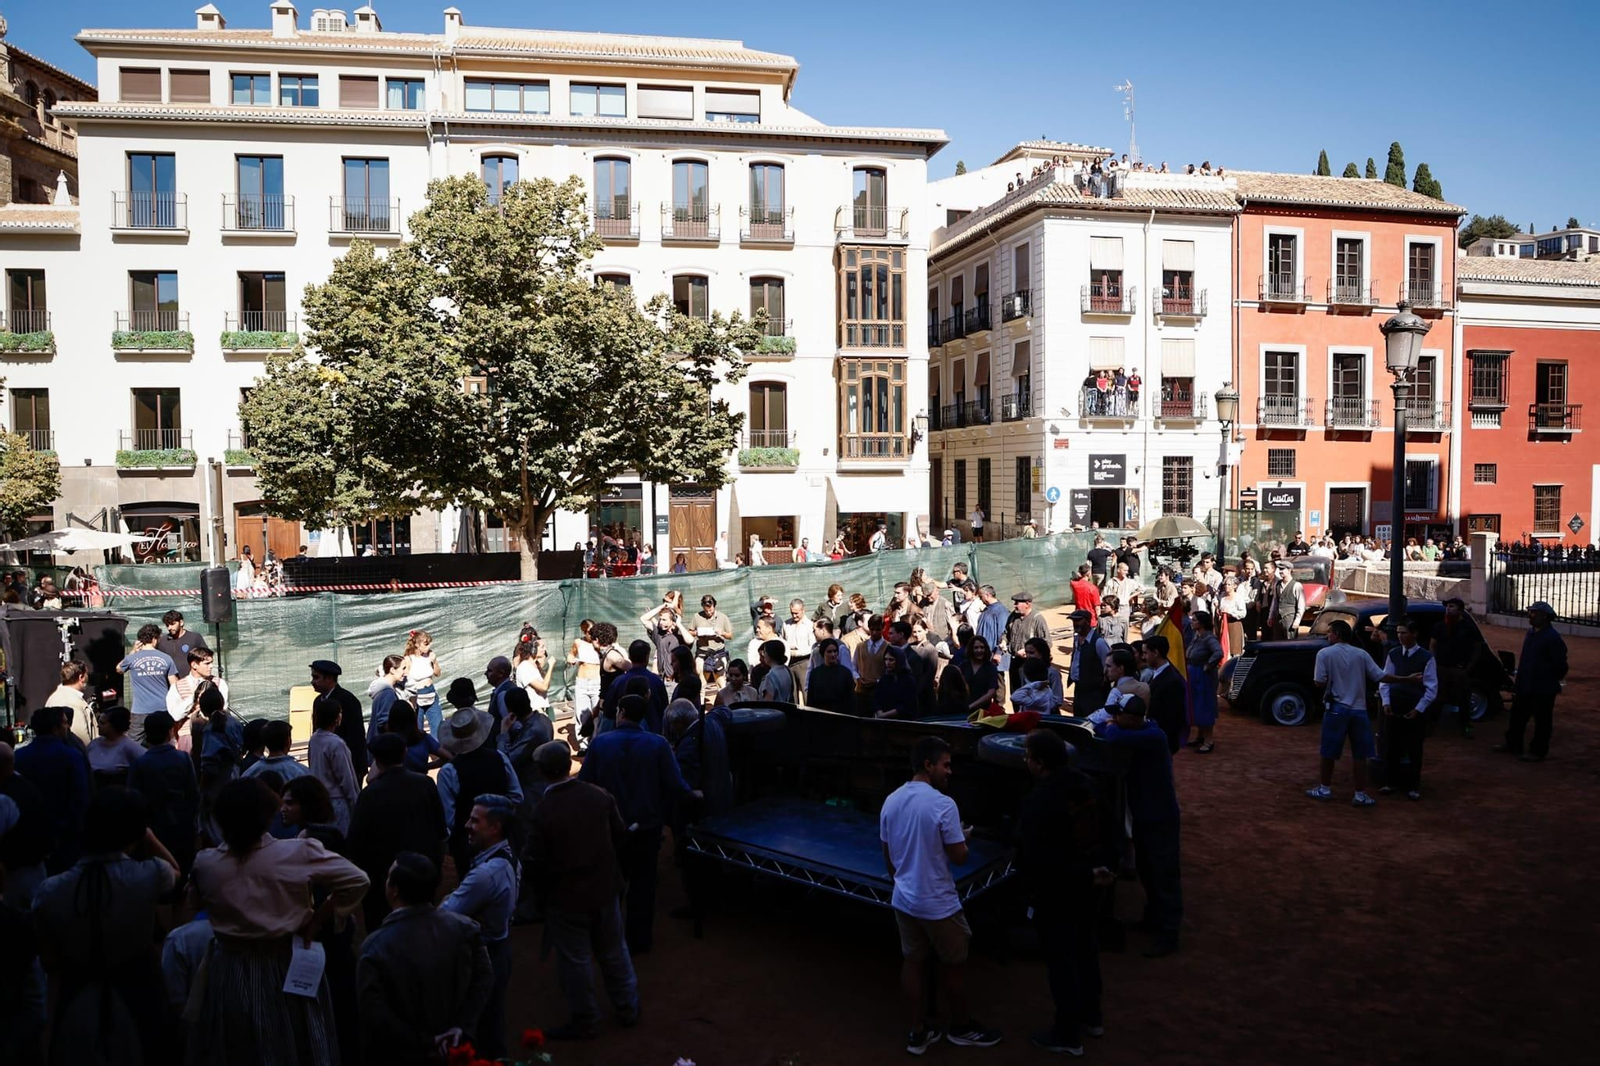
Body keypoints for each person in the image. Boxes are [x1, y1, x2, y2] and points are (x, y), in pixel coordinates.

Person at [186, 777, 368, 1066]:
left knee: (236, 1045)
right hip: (287, 962)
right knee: (298, 1039)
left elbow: (195, 903)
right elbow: (357, 880)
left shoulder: (205, 863)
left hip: (230, 968)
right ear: (267, 815)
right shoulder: (297, 852)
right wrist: (318, 920)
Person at [31, 787, 180, 1064]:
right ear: (136, 833)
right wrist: (149, 837)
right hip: (141, 993)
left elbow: (50, 963)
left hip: (76, 996)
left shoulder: (50, 891)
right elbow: (175, 872)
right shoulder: (150, 875)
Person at [880, 736, 1002, 1054]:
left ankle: (917, 1032)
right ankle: (961, 1027)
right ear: (928, 765)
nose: (950, 771)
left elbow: (888, 854)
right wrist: (963, 837)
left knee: (912, 962)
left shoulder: (891, 800)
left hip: (904, 899)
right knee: (954, 964)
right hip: (938, 903)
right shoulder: (943, 804)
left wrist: (903, 882)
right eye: (945, 765)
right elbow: (959, 857)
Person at [528, 741, 640, 1040]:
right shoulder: (598, 795)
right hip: (605, 889)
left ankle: (586, 1019)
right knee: (614, 951)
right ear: (569, 765)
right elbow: (620, 833)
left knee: (576, 960)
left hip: (566, 898)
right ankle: (628, 1008)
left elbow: (535, 860)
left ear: (541, 772)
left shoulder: (542, 811)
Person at [1017, 729, 1114, 1053]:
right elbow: (1109, 828)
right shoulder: (1087, 783)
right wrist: (1101, 869)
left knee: (1062, 961)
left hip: (1058, 890)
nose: (1026, 760)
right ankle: (1092, 1017)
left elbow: (1036, 857)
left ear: (1040, 763)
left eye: (1028, 756)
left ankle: (1067, 1034)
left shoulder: (1039, 800)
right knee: (1086, 949)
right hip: (1092, 883)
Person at [578, 693, 696, 954]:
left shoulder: (600, 743)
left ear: (620, 712)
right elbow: (676, 784)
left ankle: (607, 938)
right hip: (647, 826)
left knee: (609, 883)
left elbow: (584, 783)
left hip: (611, 827)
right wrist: (694, 795)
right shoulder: (658, 744)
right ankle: (639, 941)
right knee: (643, 884)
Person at [357, 852, 495, 1066]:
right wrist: (462, 1027)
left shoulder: (375, 946)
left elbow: (374, 1012)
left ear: (394, 890)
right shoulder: (465, 930)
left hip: (403, 1055)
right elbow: (484, 979)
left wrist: (424, 1043)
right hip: (454, 1050)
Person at [1090, 695, 1183, 957]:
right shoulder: (1140, 731)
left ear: (1131, 718)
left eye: (1118, 715)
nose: (1114, 718)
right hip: (1145, 814)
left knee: (1164, 874)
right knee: (1148, 870)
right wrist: (1111, 725)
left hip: (1160, 817)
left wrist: (1111, 726)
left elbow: (1111, 735)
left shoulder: (1153, 736)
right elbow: (1104, 729)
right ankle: (1153, 918)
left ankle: (1169, 932)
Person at [439, 794, 520, 1059]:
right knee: (491, 1022)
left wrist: (449, 897)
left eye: (475, 821)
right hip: (499, 948)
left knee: (480, 1030)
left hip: (483, 955)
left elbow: (445, 914)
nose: (467, 825)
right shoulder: (506, 857)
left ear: (494, 828)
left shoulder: (485, 875)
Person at [347, 733, 447, 932]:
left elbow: (355, 843)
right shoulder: (425, 784)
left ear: (376, 760)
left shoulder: (369, 794)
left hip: (383, 878)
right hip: (421, 869)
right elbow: (441, 831)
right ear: (405, 753)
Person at [435, 709, 522, 878]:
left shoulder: (448, 771)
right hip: (500, 836)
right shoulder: (500, 757)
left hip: (468, 844)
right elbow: (517, 796)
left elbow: (449, 820)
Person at [1307, 619, 1384, 806]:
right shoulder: (1361, 654)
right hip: (1359, 709)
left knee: (1328, 752)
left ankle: (1325, 788)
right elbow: (1379, 676)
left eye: (1330, 632)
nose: (1328, 635)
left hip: (1336, 708)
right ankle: (1359, 794)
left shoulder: (1324, 654)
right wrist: (1406, 679)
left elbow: (1319, 682)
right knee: (1360, 754)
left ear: (1337, 634)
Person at [125, 710, 201, 880]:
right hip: (182, 824)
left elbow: (133, 799)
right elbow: (193, 794)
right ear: (170, 732)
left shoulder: (139, 763)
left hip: (153, 827)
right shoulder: (183, 758)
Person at [14, 706, 89, 873]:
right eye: (65, 723)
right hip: (65, 835)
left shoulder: (19, 757)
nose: (67, 727)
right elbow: (80, 797)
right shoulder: (71, 756)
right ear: (56, 729)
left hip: (29, 834)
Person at [1496, 601, 1568, 762]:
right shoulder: (1531, 634)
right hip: (1526, 684)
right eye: (1530, 612)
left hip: (1542, 688)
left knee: (1542, 721)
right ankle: (1513, 744)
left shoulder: (1552, 638)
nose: (1530, 615)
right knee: (1517, 717)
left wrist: (1547, 680)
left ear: (1545, 616)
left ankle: (1538, 751)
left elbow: (1560, 666)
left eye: (1534, 613)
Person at [1378, 617, 1437, 801]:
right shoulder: (1394, 654)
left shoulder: (1426, 658)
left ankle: (1413, 785)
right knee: (1392, 746)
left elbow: (1431, 687)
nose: (1400, 636)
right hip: (1395, 705)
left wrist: (1418, 709)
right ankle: (1391, 782)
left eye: (1403, 633)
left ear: (1414, 634)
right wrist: (1386, 702)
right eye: (1398, 633)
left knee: (1414, 748)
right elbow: (1385, 680)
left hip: (1414, 706)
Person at [1429, 598, 1483, 739]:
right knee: (1437, 698)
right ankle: (1431, 726)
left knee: (1463, 700)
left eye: (1452, 606)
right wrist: (1434, 663)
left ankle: (1465, 727)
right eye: (1447, 606)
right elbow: (1433, 644)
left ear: (1460, 610)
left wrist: (1468, 668)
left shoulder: (1468, 628)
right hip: (1442, 669)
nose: (1448, 609)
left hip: (1460, 670)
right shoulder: (1440, 626)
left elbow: (1478, 648)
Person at [310, 659, 368, 784]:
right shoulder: (318, 701)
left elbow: (356, 737)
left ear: (329, 678)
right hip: (324, 765)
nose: (312, 682)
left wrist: (358, 768)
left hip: (346, 765)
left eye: (316, 677)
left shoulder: (348, 700)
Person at [117, 623, 177, 743]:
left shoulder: (132, 658)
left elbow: (119, 669)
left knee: (135, 743)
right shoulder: (166, 658)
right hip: (162, 708)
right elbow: (174, 685)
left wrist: (133, 651)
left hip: (140, 710)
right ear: (154, 639)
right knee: (163, 742)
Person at [307, 696, 358, 834]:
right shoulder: (336, 743)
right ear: (336, 718)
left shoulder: (314, 739)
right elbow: (346, 778)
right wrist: (354, 802)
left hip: (319, 799)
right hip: (336, 802)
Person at [1143, 635, 1187, 753]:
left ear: (1155, 653)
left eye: (1146, 653)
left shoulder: (1172, 681)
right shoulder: (1158, 674)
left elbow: (1173, 717)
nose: (1144, 657)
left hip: (1163, 741)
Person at [1186, 612, 1223, 753]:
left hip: (1203, 676)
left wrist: (1208, 665)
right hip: (1195, 674)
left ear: (1201, 623)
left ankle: (1209, 741)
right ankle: (1200, 736)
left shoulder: (1209, 638)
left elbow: (1219, 652)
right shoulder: (1197, 635)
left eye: (1194, 620)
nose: (1192, 622)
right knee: (1198, 705)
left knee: (1205, 705)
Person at [86, 705, 146, 789]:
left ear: (114, 725)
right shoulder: (94, 744)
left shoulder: (129, 746)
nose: (98, 726)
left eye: (102, 723)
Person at [1004, 592, 1051, 693]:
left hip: (1030, 664)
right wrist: (1003, 641)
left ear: (1027, 604)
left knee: (1028, 692)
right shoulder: (1013, 617)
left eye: (1017, 603)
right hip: (1014, 662)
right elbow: (1005, 632)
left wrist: (1028, 652)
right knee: (1015, 692)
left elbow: (1047, 642)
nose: (1015, 605)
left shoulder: (1037, 619)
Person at [401, 631, 444, 739]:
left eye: (429, 644)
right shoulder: (408, 659)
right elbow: (403, 679)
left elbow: (437, 673)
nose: (428, 647)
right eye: (426, 644)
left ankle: (437, 748)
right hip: (416, 695)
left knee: (438, 727)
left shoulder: (430, 655)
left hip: (430, 692)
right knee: (417, 729)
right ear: (417, 644)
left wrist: (434, 661)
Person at [1067, 610, 1110, 715]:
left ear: (1087, 622)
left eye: (1078, 620)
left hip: (1094, 693)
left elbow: (1108, 666)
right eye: (1073, 621)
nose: (1075, 624)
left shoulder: (1098, 642)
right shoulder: (1076, 639)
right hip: (1079, 689)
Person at [47, 661, 95, 746]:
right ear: (81, 677)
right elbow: (82, 741)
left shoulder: (56, 696)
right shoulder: (72, 703)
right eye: (86, 674)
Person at [806, 638, 857, 715]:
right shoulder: (815, 673)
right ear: (823, 653)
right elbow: (811, 699)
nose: (833, 654)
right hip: (820, 715)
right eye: (829, 652)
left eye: (835, 651)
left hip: (840, 716)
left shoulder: (845, 673)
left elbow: (851, 699)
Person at [511, 626, 552, 717]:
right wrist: (551, 666)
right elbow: (543, 687)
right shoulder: (525, 667)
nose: (544, 649)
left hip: (541, 709)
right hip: (534, 711)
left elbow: (546, 685)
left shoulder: (535, 665)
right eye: (542, 647)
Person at [1264, 562, 1306, 640]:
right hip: (1278, 619)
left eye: (1282, 569)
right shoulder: (1277, 584)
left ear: (1289, 570)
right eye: (1279, 569)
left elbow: (1301, 605)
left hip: (1290, 619)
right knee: (1277, 643)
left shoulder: (1297, 585)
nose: (1280, 571)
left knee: (1290, 643)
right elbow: (1275, 602)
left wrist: (1297, 620)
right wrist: (1270, 616)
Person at [482, 655, 518, 738]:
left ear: (500, 674)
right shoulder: (507, 689)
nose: (486, 673)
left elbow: (510, 724)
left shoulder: (503, 694)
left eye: (490, 671)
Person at [757, 638, 797, 703]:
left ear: (770, 654)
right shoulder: (787, 670)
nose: (763, 655)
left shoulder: (769, 677)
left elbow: (767, 702)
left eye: (764, 652)